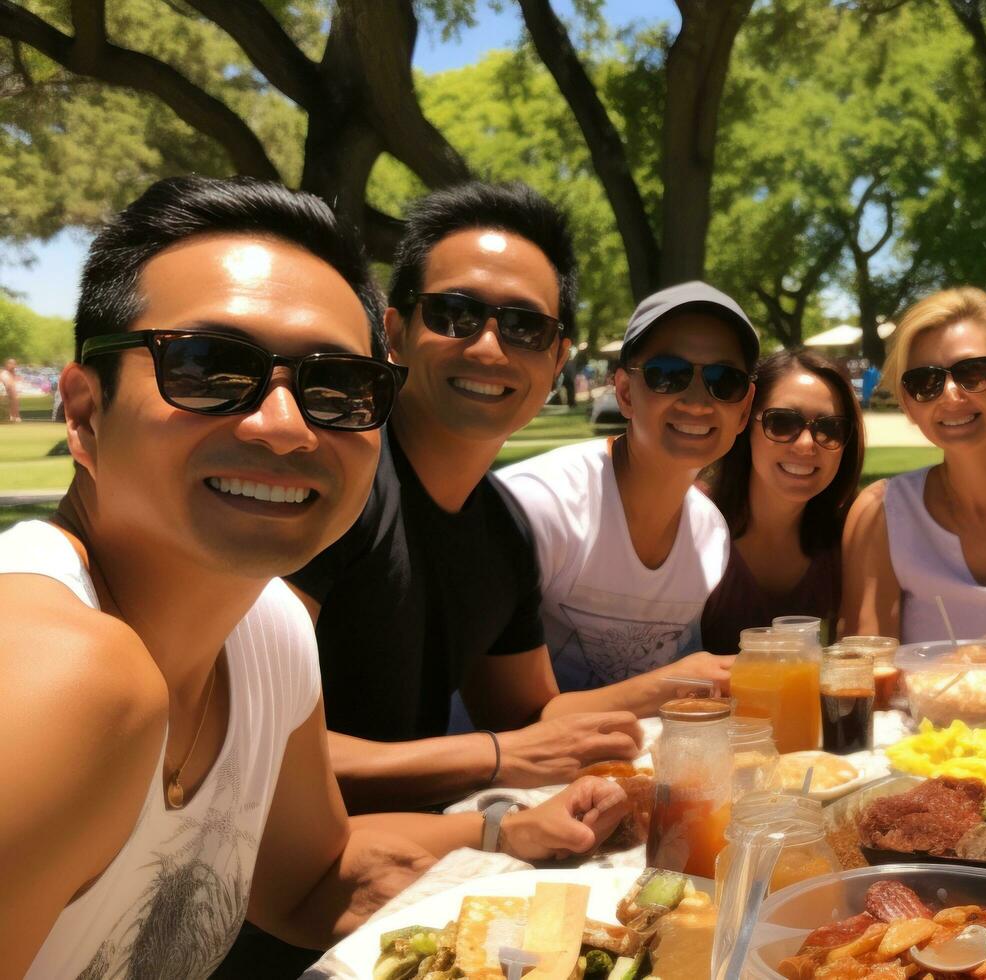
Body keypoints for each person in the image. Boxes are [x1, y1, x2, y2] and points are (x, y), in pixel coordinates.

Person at [0, 177, 630, 978]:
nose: (284, 425)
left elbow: (311, 881)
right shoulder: (55, 671)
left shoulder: (271, 632)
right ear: (85, 411)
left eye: (336, 386)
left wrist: (509, 835)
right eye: (207, 366)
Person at [286, 183, 643, 816]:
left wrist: (684, 696)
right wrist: (497, 758)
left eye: (526, 327)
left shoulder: (503, 527)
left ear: (558, 358)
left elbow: (528, 715)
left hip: (417, 862)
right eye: (454, 313)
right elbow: (239, 745)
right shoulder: (328, 478)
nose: (486, 346)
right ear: (393, 332)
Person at [499, 281, 758, 693]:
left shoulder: (711, 534)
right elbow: (511, 719)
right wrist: (678, 683)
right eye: (667, 376)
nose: (696, 401)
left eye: (723, 381)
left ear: (744, 409)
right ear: (624, 392)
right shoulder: (538, 507)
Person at [839, 287, 986, 645]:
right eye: (925, 383)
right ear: (908, 404)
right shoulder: (884, 514)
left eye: (972, 372)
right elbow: (866, 673)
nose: (951, 394)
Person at [701, 349, 864, 652]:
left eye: (829, 429)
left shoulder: (848, 541)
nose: (805, 444)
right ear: (745, 424)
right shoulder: (689, 521)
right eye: (783, 423)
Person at [1, 356, 19, 421]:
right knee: (14, 396)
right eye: (11, 363)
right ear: (7, 364)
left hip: (7, 396)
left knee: (14, 397)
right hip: (4, 395)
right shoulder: (5, 374)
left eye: (14, 364)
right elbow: (9, 387)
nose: (13, 365)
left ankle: (13, 416)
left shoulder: (12, 375)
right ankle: (13, 416)